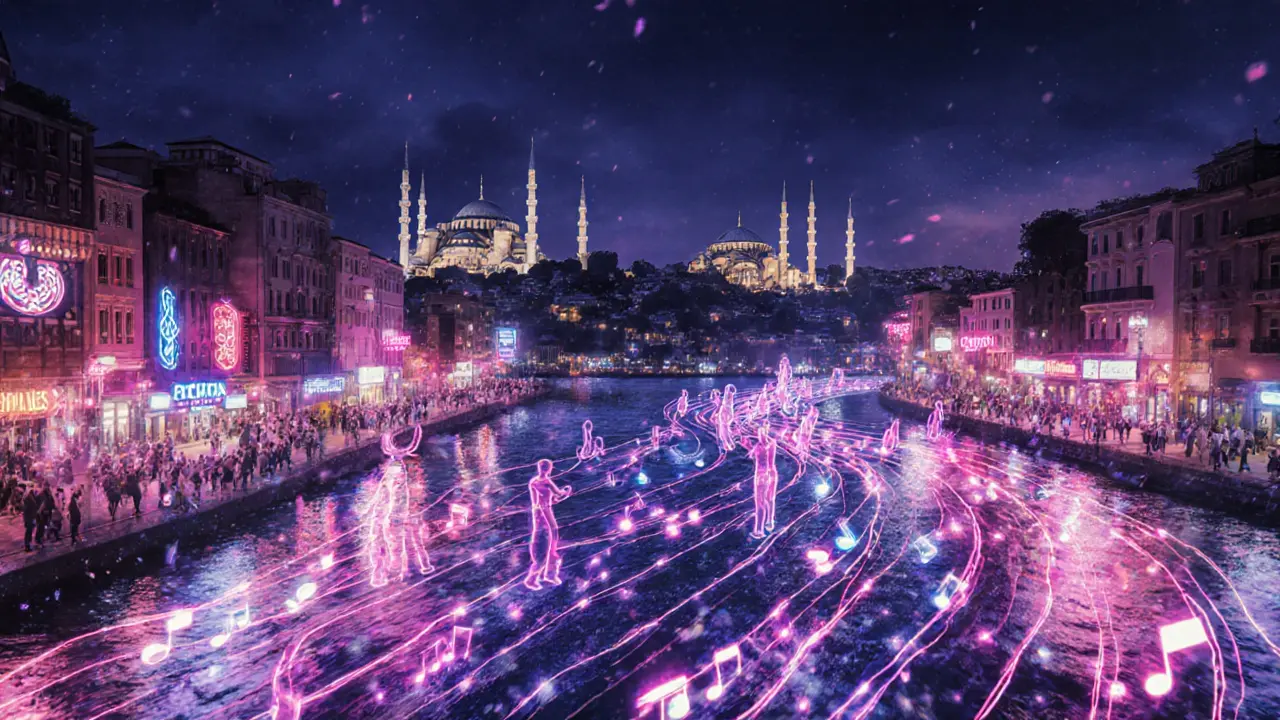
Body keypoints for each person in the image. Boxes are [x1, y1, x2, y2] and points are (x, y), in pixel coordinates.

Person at [523, 459, 572, 590]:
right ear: (549, 469)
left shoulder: (533, 482)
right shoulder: (547, 482)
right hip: (545, 514)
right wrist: (567, 491)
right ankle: (534, 578)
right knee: (548, 542)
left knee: (547, 541)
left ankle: (548, 574)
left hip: (538, 513)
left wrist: (552, 500)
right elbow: (559, 493)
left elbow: (540, 499)